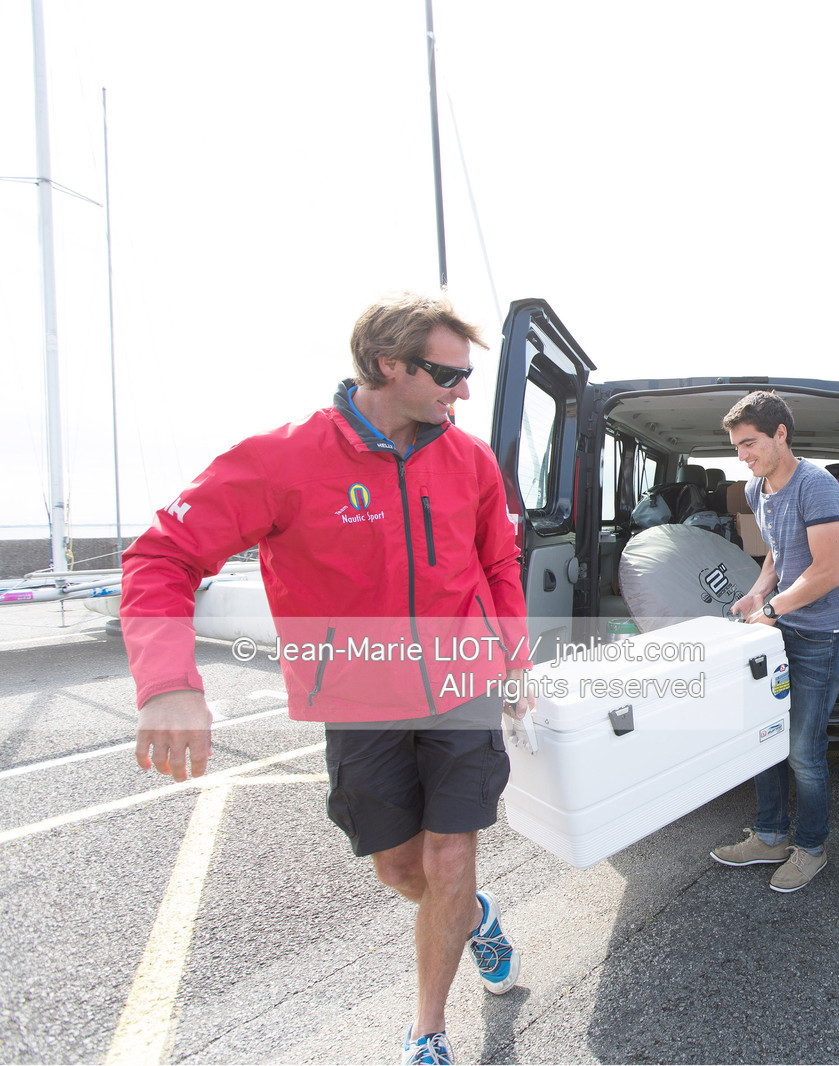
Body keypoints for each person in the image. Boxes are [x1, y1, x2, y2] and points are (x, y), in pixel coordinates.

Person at [122, 292, 533, 1066]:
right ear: (389, 366)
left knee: (450, 856)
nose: (464, 392)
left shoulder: (470, 458)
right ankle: (474, 915)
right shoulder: (282, 460)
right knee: (403, 869)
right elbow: (161, 557)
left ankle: (428, 1031)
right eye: (449, 375)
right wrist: (170, 683)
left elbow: (498, 561)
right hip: (360, 700)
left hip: (462, 688)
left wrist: (513, 655)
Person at [712, 391, 839, 892]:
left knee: (802, 749)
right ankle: (771, 835)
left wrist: (771, 610)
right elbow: (777, 553)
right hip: (782, 627)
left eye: (749, 444)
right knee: (764, 736)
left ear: (780, 434)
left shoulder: (816, 486)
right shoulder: (757, 490)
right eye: (736, 447)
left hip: (823, 635)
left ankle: (811, 848)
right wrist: (756, 595)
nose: (742, 456)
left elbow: (829, 572)